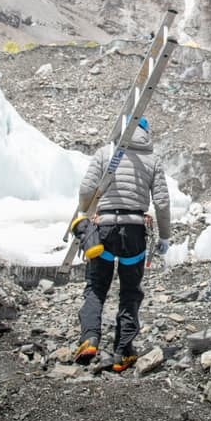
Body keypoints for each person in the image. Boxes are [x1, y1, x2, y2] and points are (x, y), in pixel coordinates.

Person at [72, 116, 171, 372]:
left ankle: (90, 339)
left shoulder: (106, 152)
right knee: (130, 291)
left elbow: (86, 189)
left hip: (104, 229)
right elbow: (161, 202)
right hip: (135, 230)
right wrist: (164, 237)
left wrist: (89, 210)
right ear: (147, 133)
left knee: (96, 287)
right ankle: (123, 351)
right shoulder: (153, 160)